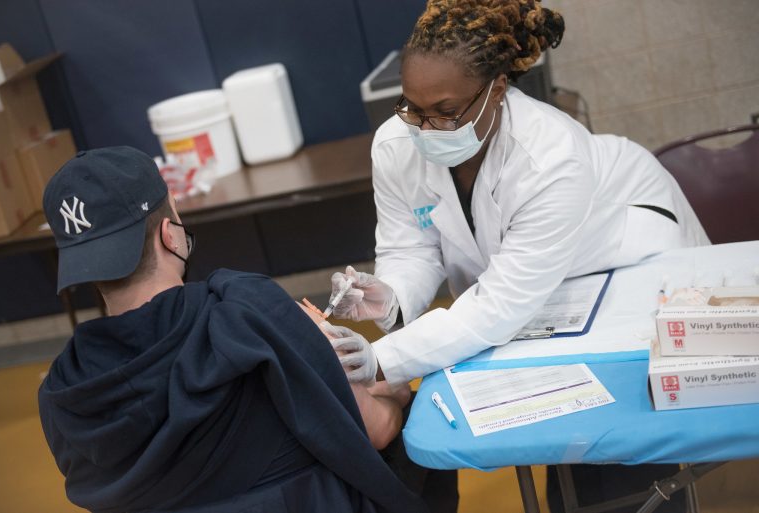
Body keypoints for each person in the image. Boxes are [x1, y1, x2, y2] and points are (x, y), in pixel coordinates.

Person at [323, 1, 706, 511]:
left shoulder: (551, 155)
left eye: (445, 112)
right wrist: (390, 296)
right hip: (531, 285)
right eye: (412, 108)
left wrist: (381, 360)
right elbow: (413, 244)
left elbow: (500, 305)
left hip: (625, 253)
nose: (424, 128)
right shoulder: (396, 145)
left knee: (616, 435)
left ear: (496, 91)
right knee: (561, 428)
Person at [37, 146, 428, 513]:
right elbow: (372, 430)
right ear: (169, 234)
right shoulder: (244, 314)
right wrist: (393, 387)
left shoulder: (64, 391)